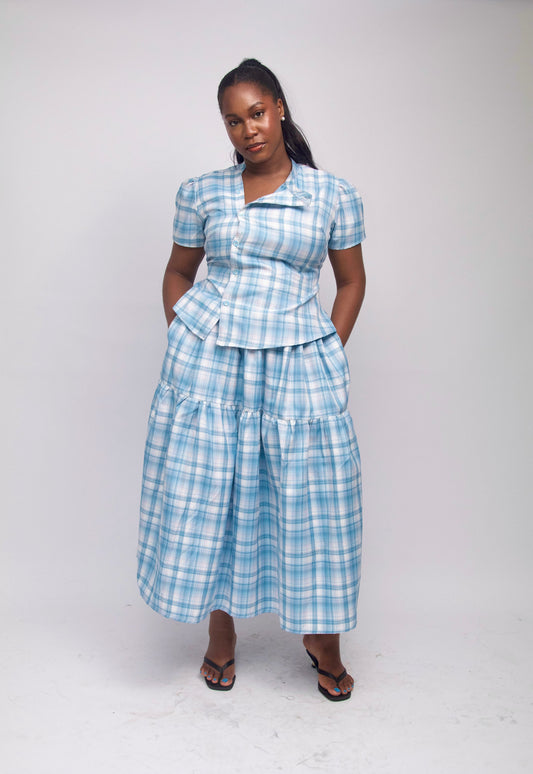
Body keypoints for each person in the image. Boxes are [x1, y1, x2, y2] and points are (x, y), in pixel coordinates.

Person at [137, 58, 367, 702]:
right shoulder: (202, 191)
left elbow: (351, 281)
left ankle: (322, 641)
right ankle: (220, 635)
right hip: (212, 370)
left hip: (297, 360)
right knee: (217, 495)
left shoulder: (332, 194)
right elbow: (178, 271)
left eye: (257, 113)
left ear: (280, 108)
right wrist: (186, 336)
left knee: (314, 501)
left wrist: (329, 350)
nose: (248, 130)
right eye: (233, 121)